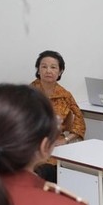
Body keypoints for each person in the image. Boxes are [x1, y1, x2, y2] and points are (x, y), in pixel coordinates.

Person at [29, 50, 85, 183]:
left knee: (51, 170)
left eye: (53, 67)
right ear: (38, 70)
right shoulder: (27, 92)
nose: (48, 70)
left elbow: (80, 122)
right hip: (31, 145)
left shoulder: (65, 95)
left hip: (55, 148)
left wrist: (65, 140)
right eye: (44, 66)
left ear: (60, 72)